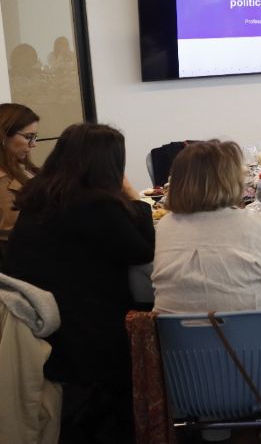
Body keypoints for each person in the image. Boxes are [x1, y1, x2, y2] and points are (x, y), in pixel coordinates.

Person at [5, 123, 154, 439]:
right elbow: (142, 251)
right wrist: (134, 197)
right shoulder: (95, 204)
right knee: (152, 315)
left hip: (41, 319)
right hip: (86, 331)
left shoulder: (40, 194)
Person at [152, 140, 261, 397]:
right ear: (231, 180)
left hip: (185, 373)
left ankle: (219, 430)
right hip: (254, 362)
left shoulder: (165, 228)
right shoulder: (259, 225)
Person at [0, 103, 41, 242]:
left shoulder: (23, 167)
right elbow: (11, 232)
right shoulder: (2, 181)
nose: (33, 144)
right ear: (4, 135)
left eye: (35, 137)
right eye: (29, 136)